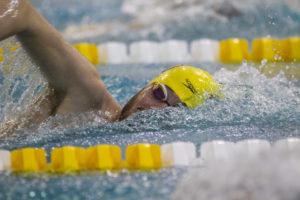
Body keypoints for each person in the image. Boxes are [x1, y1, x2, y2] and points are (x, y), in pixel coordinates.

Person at [0, 0, 221, 136]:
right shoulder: (90, 99)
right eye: (159, 93)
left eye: (175, 110)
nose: (157, 109)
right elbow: (21, 12)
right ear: (148, 86)